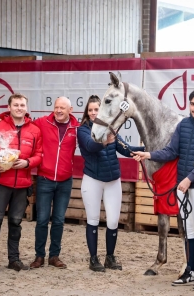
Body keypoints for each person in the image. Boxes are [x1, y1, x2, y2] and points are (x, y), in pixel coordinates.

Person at [133, 89, 194, 288]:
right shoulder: (183, 125)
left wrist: (189, 179)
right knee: (189, 229)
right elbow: (171, 151)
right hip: (182, 186)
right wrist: (149, 154)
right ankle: (190, 270)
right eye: (193, 104)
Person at [77, 95, 144, 272]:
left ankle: (110, 257)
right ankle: (93, 258)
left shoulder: (112, 129)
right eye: (90, 110)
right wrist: (105, 141)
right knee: (93, 220)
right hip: (92, 179)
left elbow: (125, 149)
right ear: (87, 112)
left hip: (113, 180)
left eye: (96, 109)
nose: (93, 113)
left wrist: (147, 149)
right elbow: (90, 146)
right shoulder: (83, 130)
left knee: (113, 221)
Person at [0, 93, 43, 277]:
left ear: (26, 107)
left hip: (22, 185)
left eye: (22, 105)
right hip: (0, 183)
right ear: (10, 106)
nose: (19, 108)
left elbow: (39, 154)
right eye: (16, 105)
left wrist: (28, 162)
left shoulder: (35, 130)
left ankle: (13, 259)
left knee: (16, 223)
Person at [29, 97, 80, 269]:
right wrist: (2, 118)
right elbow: (22, 121)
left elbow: (93, 136)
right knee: (42, 220)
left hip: (65, 181)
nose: (58, 111)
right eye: (56, 107)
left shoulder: (77, 128)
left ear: (70, 110)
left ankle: (54, 256)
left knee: (58, 220)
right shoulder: (43, 122)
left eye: (62, 108)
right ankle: (39, 256)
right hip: (45, 179)